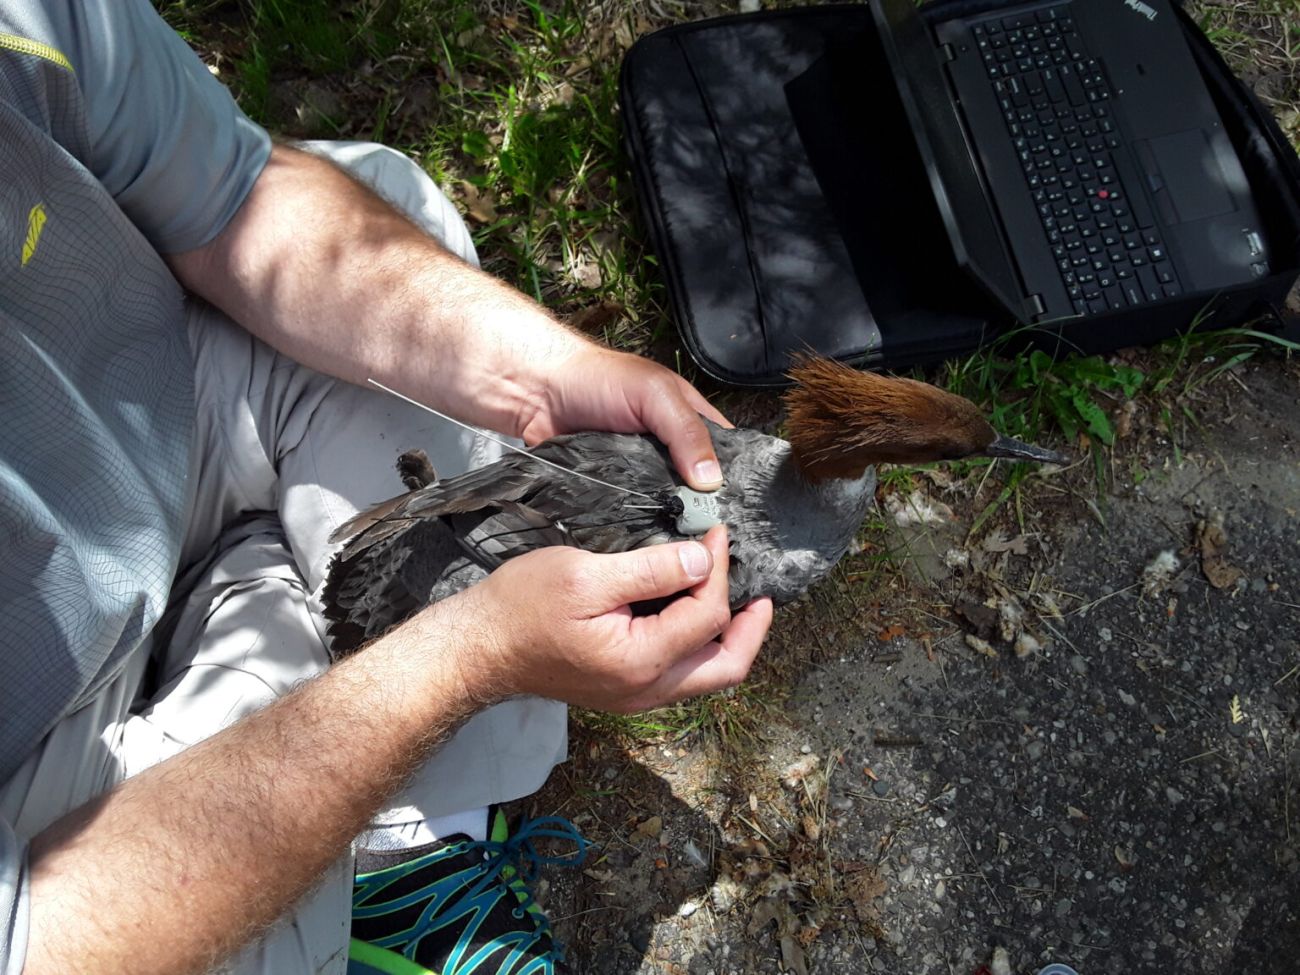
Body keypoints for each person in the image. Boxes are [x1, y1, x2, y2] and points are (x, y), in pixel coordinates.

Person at [0, 2, 774, 973]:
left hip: (146, 418)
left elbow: (238, 195)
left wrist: (539, 372)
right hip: (45, 796)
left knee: (381, 206)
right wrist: (471, 655)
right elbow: (48, 943)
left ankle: (409, 841)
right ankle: (358, 809)